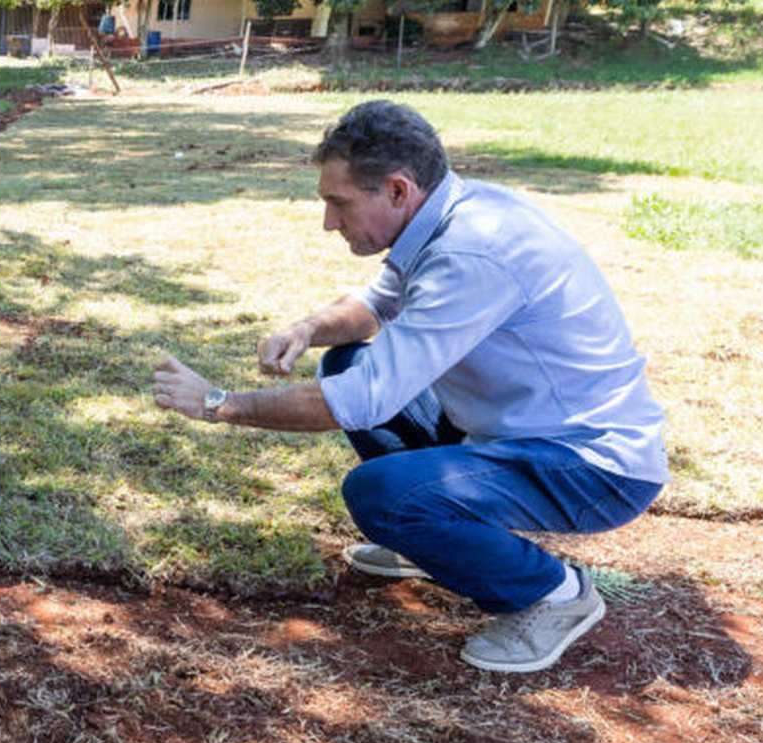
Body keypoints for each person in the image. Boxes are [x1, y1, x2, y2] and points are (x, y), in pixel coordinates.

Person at [152, 100, 667, 674]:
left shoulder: (472, 252)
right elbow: (377, 304)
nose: (328, 222)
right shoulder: (450, 213)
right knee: (346, 361)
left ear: (398, 190)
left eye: (338, 203)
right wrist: (308, 328)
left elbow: (359, 403)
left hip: (593, 466)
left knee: (380, 495)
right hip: (518, 430)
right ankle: (436, 539)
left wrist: (218, 404)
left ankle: (555, 595)